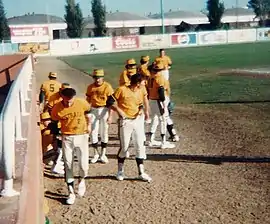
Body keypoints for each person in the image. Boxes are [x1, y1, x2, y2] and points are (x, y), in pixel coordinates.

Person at [106, 73, 152, 182]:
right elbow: (109, 101)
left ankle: (141, 172)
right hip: (125, 122)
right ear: (137, 83)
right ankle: (120, 171)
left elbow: (140, 103)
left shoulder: (141, 90)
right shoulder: (121, 90)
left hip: (137, 121)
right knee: (124, 147)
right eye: (143, 81)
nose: (145, 83)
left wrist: (141, 110)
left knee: (140, 145)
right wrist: (119, 111)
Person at [51, 88, 91, 205]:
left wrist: (89, 125)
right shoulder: (57, 108)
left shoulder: (81, 102)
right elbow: (53, 123)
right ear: (62, 97)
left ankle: (82, 180)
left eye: (71, 100)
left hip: (82, 135)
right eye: (66, 100)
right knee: (68, 164)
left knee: (84, 165)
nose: (69, 103)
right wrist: (55, 138)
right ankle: (71, 192)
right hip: (67, 137)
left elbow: (89, 112)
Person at [86, 69, 114, 164]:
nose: (97, 80)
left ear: (102, 77)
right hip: (94, 109)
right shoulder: (90, 87)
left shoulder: (107, 87)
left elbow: (111, 102)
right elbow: (88, 100)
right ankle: (96, 153)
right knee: (93, 132)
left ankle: (103, 154)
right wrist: (86, 111)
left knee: (104, 132)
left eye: (99, 78)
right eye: (95, 78)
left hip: (104, 109)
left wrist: (110, 116)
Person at [147, 61, 175, 149]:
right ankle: (164, 142)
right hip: (158, 101)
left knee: (154, 119)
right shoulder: (160, 78)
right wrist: (163, 104)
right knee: (163, 120)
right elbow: (161, 92)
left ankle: (151, 140)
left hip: (151, 100)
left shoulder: (151, 77)